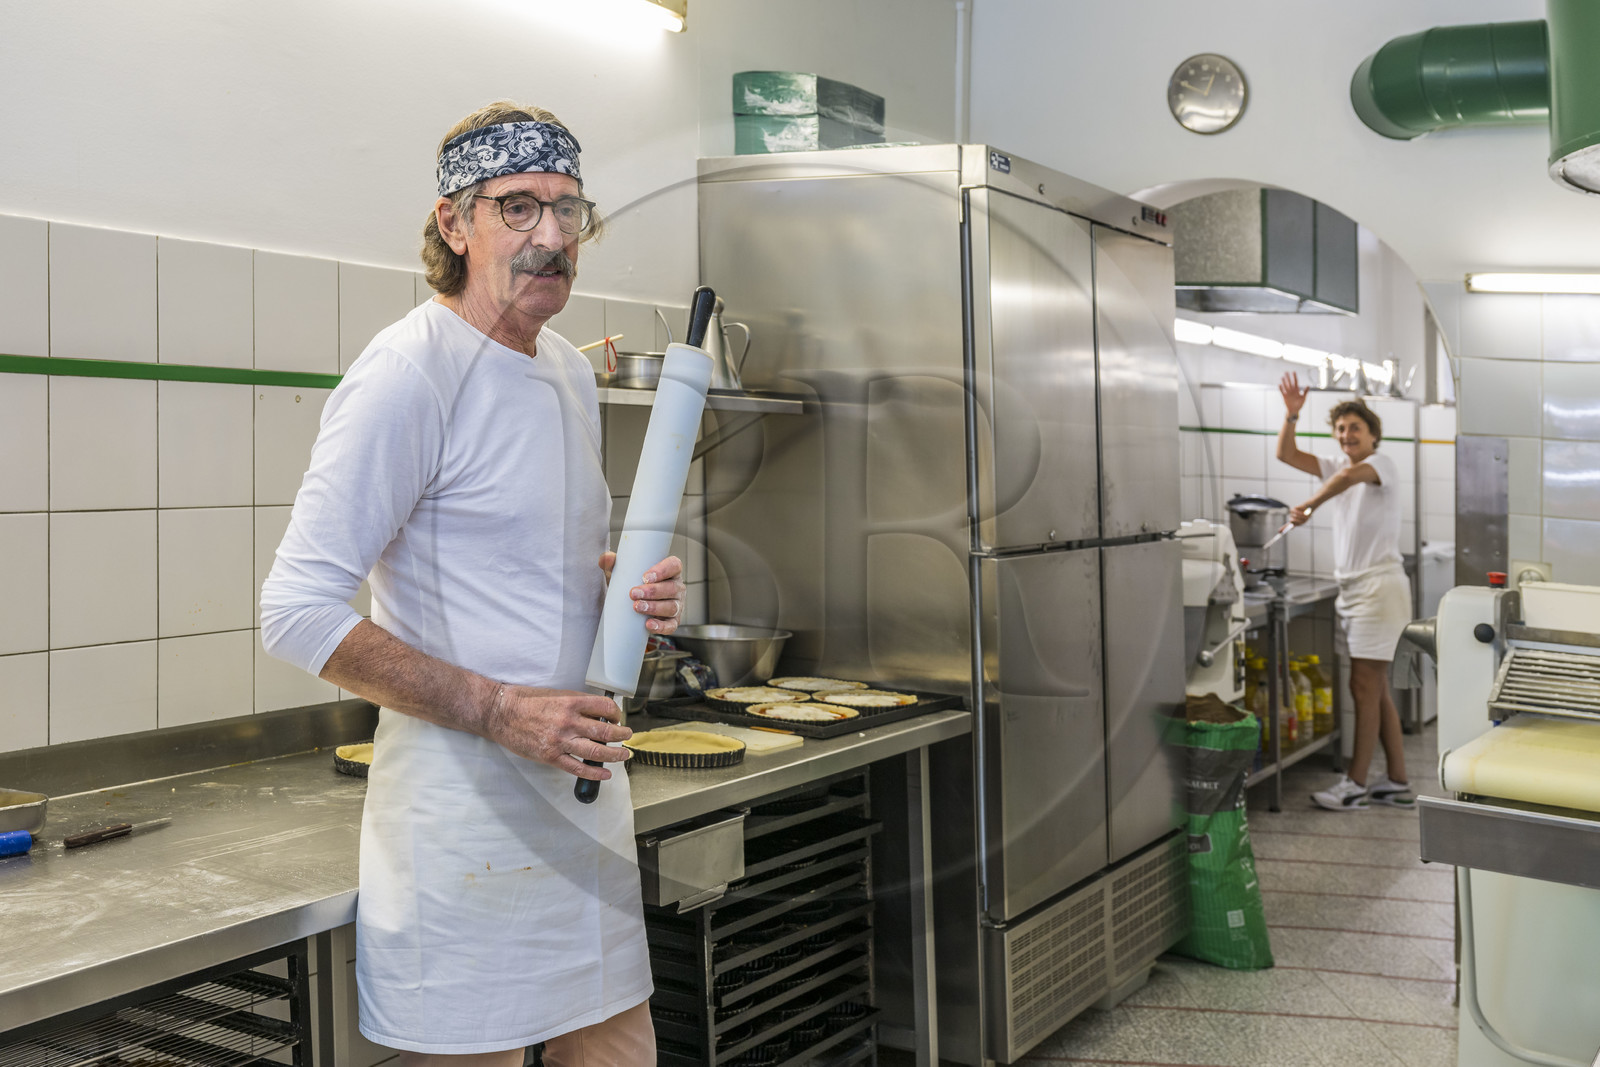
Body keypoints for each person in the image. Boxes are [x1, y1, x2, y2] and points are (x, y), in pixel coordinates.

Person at [260, 101, 680, 1065]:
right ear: (455, 224)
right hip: (464, 828)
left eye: (569, 211)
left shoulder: (569, 372)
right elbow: (295, 611)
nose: (551, 237)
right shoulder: (409, 370)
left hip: (583, 811)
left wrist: (630, 608)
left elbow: (539, 579)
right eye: (518, 207)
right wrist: (498, 710)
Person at [1274, 372, 1415, 812]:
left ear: (1373, 435)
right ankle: (1397, 781)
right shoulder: (1337, 467)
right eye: (1340, 429)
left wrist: (1310, 505)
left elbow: (1348, 480)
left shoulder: (1381, 464)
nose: (1346, 434)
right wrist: (1292, 414)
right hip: (1356, 591)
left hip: (1379, 588)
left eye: (1355, 428)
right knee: (1376, 689)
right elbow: (1286, 453)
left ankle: (1354, 783)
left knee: (1362, 684)